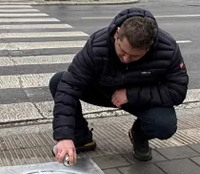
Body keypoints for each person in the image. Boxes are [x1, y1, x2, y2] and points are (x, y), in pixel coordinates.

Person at [50, 9, 188, 164]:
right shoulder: (98, 44)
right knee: (59, 81)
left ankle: (138, 134)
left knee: (165, 125)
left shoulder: (168, 50)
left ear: (148, 47)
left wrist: (130, 95)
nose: (126, 59)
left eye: (135, 56)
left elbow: (177, 91)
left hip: (139, 99)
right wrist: (64, 136)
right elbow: (70, 85)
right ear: (117, 34)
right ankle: (81, 137)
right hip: (102, 91)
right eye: (122, 51)